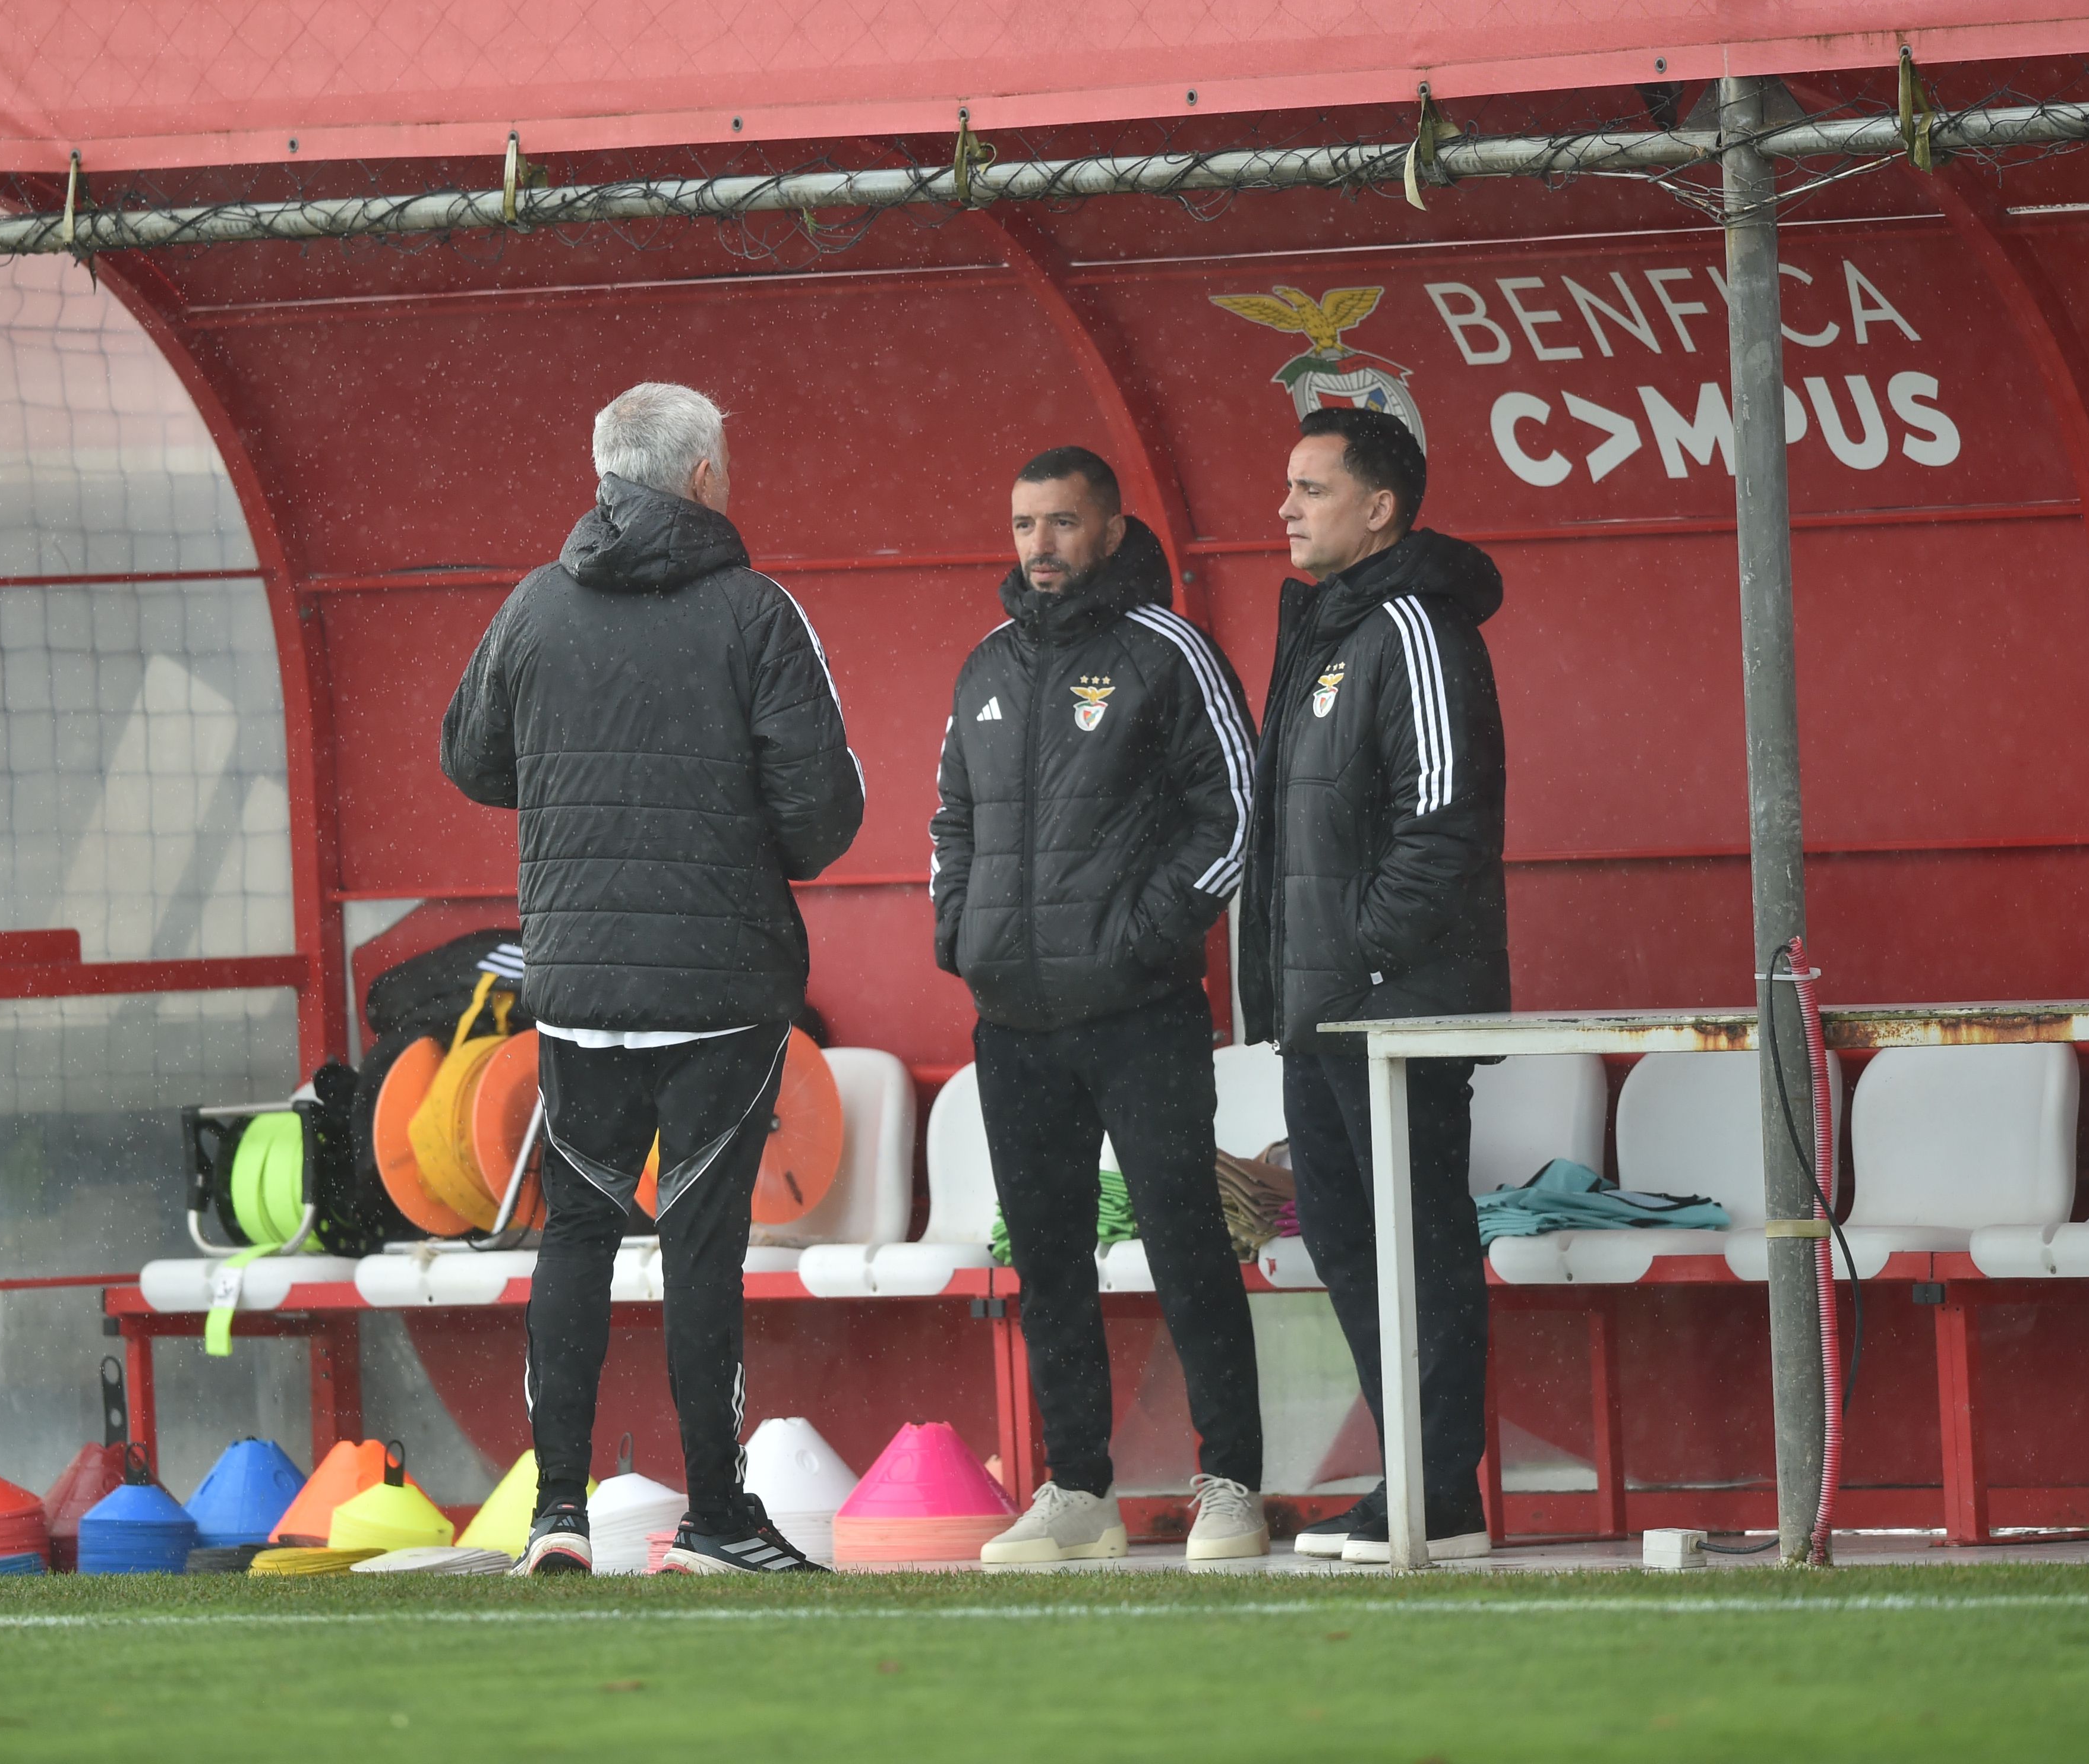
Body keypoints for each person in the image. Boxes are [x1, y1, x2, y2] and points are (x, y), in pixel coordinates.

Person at [441, 381, 865, 1576]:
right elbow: (821, 811)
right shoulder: (753, 612)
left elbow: (469, 757)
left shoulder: (532, 605)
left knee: (573, 1232)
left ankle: (556, 1511)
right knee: (700, 1242)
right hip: (722, 985)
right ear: (698, 480)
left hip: (577, 985)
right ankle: (718, 1518)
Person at [930, 445, 1270, 1564]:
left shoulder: (1166, 651)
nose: (1040, 546)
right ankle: (1078, 1491)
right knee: (1051, 1261)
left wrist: (1141, 940)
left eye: (1064, 524)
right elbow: (953, 823)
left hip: (1139, 1016)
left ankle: (1231, 1486)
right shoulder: (984, 664)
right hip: (1014, 1024)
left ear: (1112, 532)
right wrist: (961, 938)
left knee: (1185, 1245)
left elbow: (1237, 811)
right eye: (1025, 524)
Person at [1235, 405, 1509, 1565]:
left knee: (1418, 1245)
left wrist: (1356, 952)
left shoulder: (1416, 625)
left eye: (1310, 488)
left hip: (1392, 1004)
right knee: (1348, 1246)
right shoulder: (1321, 630)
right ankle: (1409, 1478)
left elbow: (1442, 821)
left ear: (1381, 508)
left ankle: (1441, 1491)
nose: (1285, 508)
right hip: (1321, 1011)